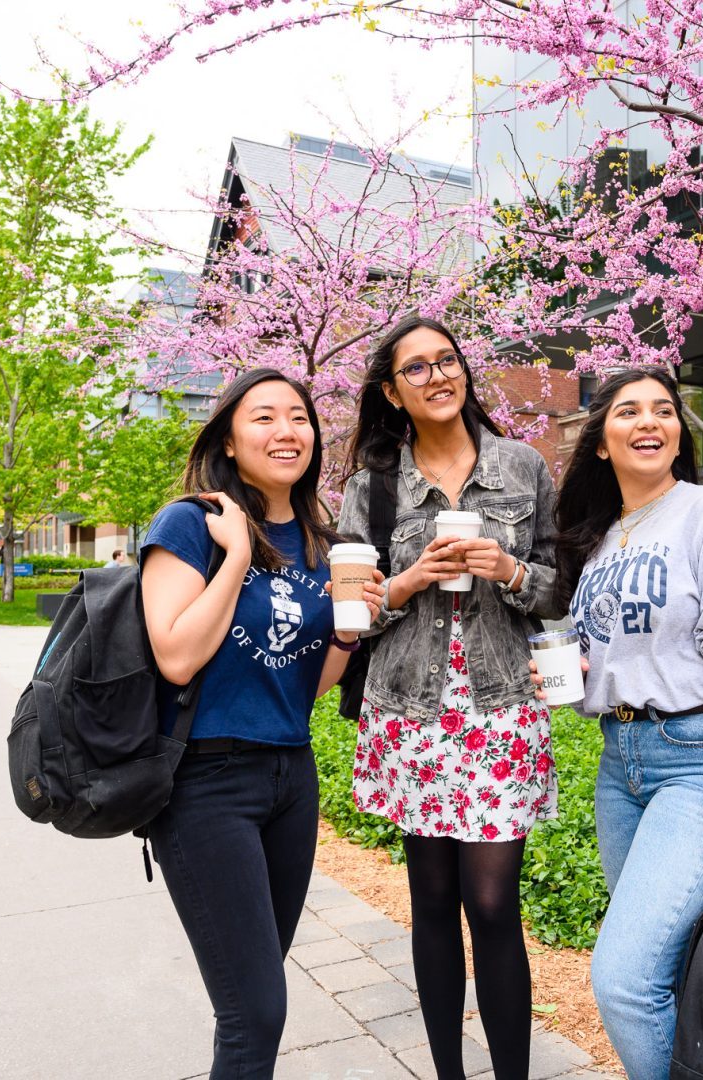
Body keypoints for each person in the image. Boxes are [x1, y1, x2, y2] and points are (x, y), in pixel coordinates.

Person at [538, 368, 703, 1080]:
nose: (648, 422)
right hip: (621, 763)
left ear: (677, 430)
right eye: (627, 412)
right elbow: (618, 647)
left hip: (697, 754)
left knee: (621, 979)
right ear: (601, 442)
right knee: (665, 969)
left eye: (663, 410)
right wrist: (577, 675)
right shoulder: (596, 539)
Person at [139, 368, 383, 1080]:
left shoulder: (320, 539)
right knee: (256, 1010)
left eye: (299, 418)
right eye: (264, 417)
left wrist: (347, 629)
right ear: (229, 437)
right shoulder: (191, 523)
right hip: (204, 783)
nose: (286, 432)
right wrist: (238, 554)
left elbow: (307, 685)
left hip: (289, 776)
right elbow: (177, 656)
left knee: (256, 991)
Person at [337, 316, 562, 1080]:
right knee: (431, 903)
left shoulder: (523, 466)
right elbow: (353, 615)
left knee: (494, 907)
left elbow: (561, 589)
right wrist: (405, 582)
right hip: (409, 717)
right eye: (417, 369)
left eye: (448, 361)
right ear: (391, 392)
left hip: (499, 713)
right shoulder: (370, 489)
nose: (438, 376)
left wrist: (507, 569)